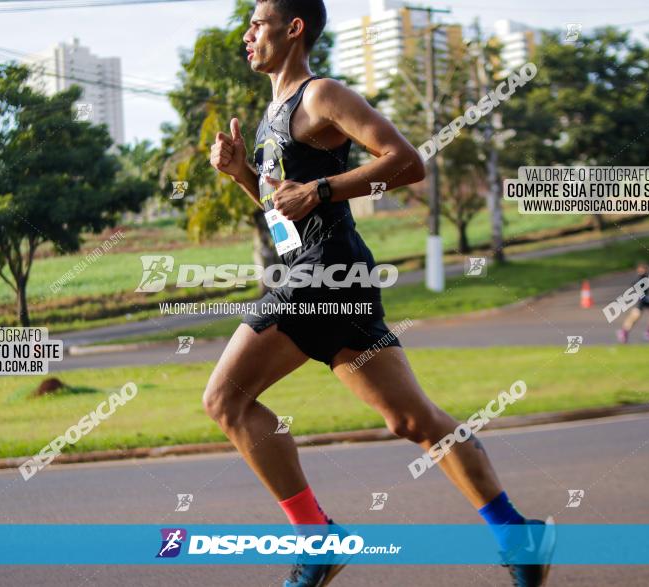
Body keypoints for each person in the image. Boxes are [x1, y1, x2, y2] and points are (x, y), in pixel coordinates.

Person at [205, 1, 555, 585]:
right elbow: (286, 213)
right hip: (328, 271)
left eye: (257, 22)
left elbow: (406, 162)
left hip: (323, 273)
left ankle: (318, 540)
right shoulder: (272, 114)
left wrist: (320, 187)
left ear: (293, 29)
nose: (247, 34)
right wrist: (245, 176)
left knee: (226, 400)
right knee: (410, 419)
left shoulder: (321, 95)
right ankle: (516, 533)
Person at [617, 262, 649, 343]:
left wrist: (647, 297)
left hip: (647, 299)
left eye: (645, 269)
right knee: (636, 316)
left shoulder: (646, 277)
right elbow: (634, 285)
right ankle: (623, 332)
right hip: (641, 300)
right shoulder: (639, 278)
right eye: (642, 269)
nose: (644, 271)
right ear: (639, 270)